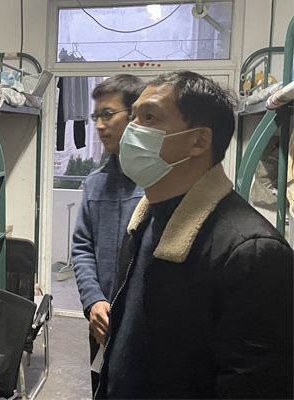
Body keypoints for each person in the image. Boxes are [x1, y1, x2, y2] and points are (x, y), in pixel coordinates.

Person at [96, 70, 294, 399]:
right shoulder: (144, 222)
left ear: (198, 141)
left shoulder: (252, 253)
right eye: (133, 117)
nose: (131, 130)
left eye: (149, 117)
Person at [71, 74, 146, 396]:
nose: (100, 125)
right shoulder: (95, 184)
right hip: (102, 322)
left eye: (108, 114)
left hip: (146, 328)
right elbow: (82, 248)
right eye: (96, 116)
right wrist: (94, 302)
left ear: (135, 116)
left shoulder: (159, 185)